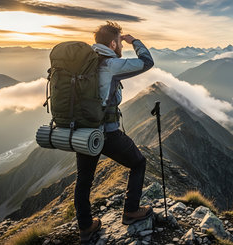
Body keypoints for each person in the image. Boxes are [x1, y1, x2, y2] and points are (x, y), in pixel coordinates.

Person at [75, 21, 154, 243]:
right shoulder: (110, 64)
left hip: (83, 131)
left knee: (84, 180)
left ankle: (86, 227)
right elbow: (147, 62)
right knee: (138, 163)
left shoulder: (83, 63)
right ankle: (131, 211)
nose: (121, 45)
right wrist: (135, 41)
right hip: (107, 133)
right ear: (112, 43)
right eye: (119, 42)